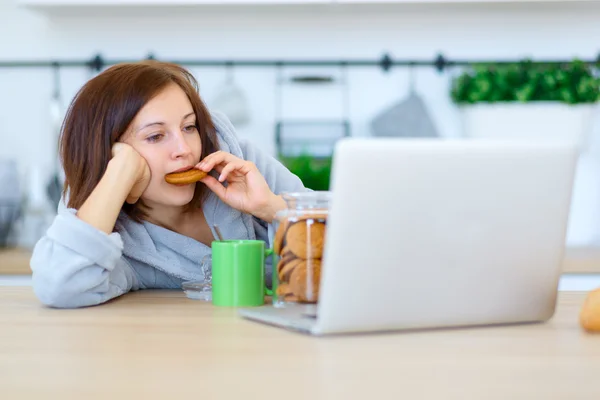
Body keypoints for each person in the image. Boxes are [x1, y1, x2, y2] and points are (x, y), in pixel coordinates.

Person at [30, 60, 307, 308]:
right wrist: (120, 173)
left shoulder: (239, 162)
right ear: (110, 155)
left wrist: (271, 207)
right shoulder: (107, 224)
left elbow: (342, 240)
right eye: (155, 136)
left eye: (189, 127)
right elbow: (58, 284)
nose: (184, 149)